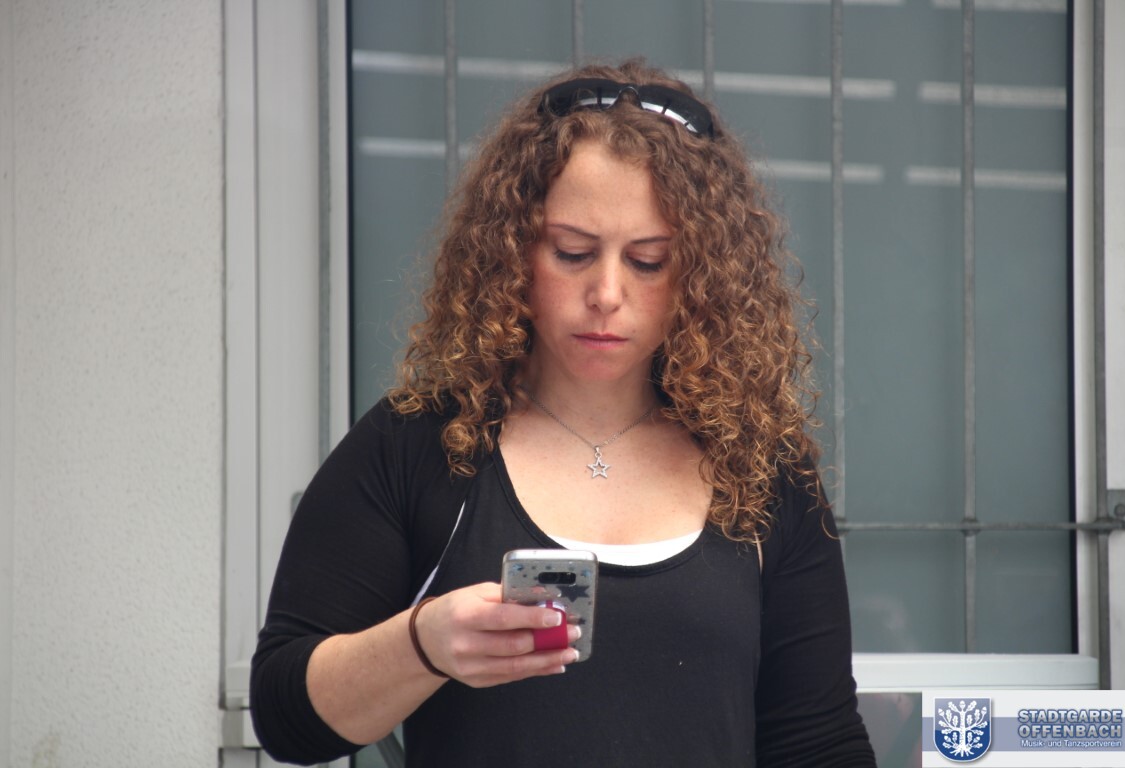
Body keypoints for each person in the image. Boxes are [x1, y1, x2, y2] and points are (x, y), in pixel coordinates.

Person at [250, 58, 877, 767]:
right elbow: (285, 716)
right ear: (511, 251)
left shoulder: (760, 467)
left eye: (648, 261)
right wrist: (421, 645)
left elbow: (817, 743)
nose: (606, 293)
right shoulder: (420, 442)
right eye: (573, 252)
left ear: (701, 274)